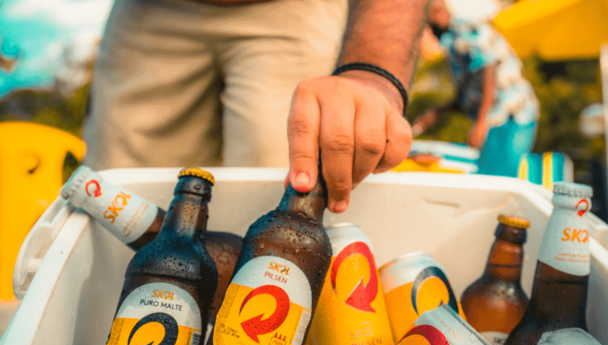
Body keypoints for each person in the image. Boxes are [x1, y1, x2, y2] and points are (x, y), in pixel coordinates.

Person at [83, 0, 429, 214]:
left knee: (283, 190)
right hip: (150, 10)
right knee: (122, 198)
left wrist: (370, 73)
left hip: (296, 8)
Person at [413, 0, 539, 177]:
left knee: (500, 178)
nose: (428, 30)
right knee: (487, 175)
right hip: (494, 117)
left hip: (511, 113)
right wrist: (436, 113)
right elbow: (469, 95)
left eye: (426, 23)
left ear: (436, 13)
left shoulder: (465, 29)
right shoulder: (452, 41)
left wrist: (481, 122)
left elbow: (489, 68)